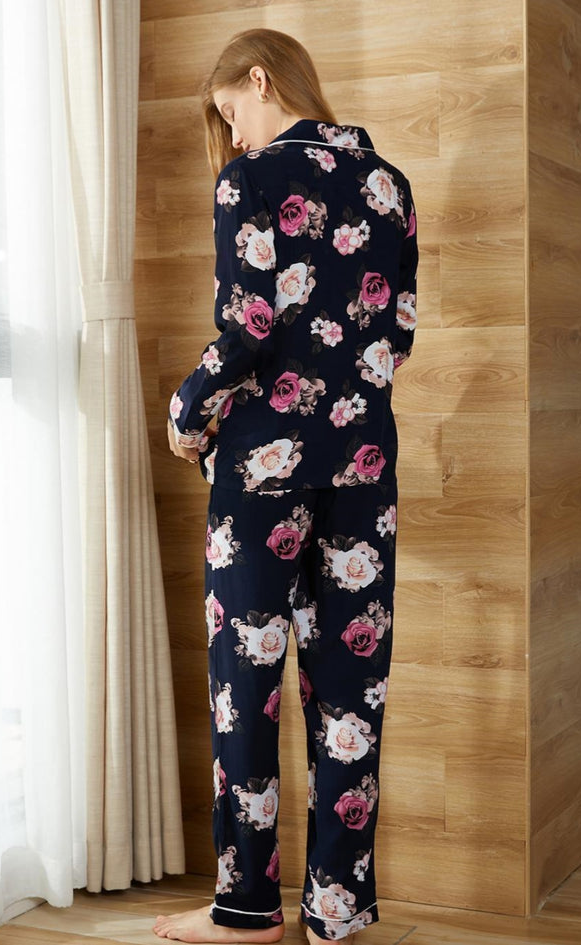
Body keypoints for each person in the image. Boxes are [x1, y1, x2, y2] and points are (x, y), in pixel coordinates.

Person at [157, 27, 417, 945]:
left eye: (231, 112)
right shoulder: (390, 185)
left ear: (260, 79)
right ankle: (336, 911)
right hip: (363, 469)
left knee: (247, 686)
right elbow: (397, 336)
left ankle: (247, 909)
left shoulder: (250, 180)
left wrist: (187, 410)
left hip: (262, 474)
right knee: (351, 695)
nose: (231, 136)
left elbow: (248, 328)